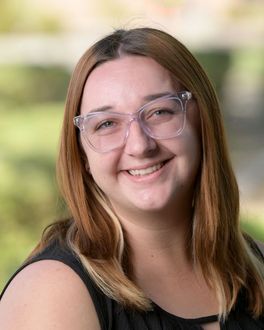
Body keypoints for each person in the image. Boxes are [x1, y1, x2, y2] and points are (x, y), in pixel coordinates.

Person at [0, 27, 263, 330]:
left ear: (204, 123)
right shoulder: (51, 294)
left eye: (160, 112)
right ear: (83, 155)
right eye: (107, 123)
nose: (140, 146)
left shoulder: (257, 268)